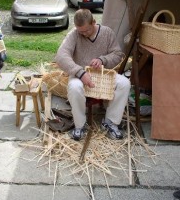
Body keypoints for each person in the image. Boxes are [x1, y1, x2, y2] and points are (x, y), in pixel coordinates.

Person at [55, 9, 131, 141]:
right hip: (80, 76)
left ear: (94, 22)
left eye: (87, 30)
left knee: (124, 83)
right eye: (81, 31)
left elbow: (118, 54)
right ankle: (80, 125)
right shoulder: (74, 34)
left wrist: (103, 60)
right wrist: (80, 72)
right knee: (74, 87)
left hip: (103, 76)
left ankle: (110, 122)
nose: (84, 34)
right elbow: (61, 56)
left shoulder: (107, 32)